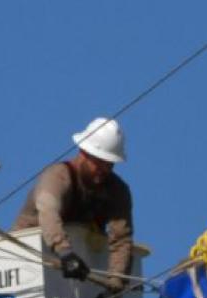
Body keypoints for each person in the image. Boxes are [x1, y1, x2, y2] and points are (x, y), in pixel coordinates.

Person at [13, 116, 134, 282]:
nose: (104, 169)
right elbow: (48, 212)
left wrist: (115, 284)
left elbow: (121, 240)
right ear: (84, 152)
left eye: (110, 164)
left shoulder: (116, 191)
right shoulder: (58, 177)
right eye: (99, 162)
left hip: (73, 271)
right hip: (24, 261)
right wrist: (65, 253)